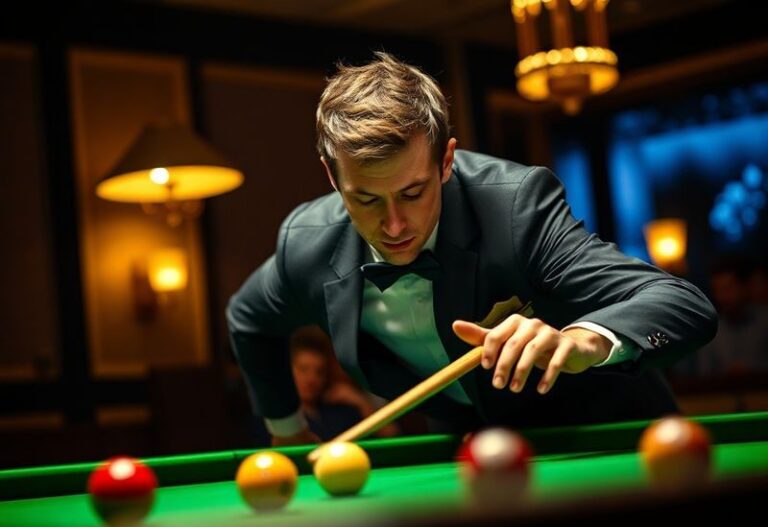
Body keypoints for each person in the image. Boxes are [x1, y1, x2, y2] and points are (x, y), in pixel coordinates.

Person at [227, 52, 718, 447]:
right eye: (366, 199)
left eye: (413, 193)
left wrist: (584, 341)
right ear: (333, 177)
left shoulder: (514, 209)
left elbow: (684, 305)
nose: (394, 224)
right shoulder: (308, 243)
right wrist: (287, 430)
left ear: (446, 161)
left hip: (606, 440)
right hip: (473, 457)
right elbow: (249, 319)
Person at [289, 326, 400, 441]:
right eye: (303, 369)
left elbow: (391, 434)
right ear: (288, 370)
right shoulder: (279, 421)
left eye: (319, 372)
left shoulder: (340, 411)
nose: (312, 378)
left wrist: (361, 402)